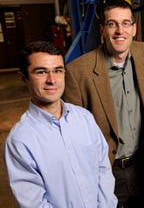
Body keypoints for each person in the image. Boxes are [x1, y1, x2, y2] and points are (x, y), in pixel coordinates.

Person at [62, 0, 144, 208]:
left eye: (125, 23)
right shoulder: (78, 71)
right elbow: (70, 134)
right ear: (102, 29)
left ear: (134, 28)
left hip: (143, 165)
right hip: (105, 171)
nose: (119, 31)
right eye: (112, 24)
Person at [4, 41, 117, 208]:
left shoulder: (84, 118)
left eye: (58, 71)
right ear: (23, 78)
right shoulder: (20, 140)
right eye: (41, 72)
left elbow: (103, 170)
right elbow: (34, 203)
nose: (52, 80)